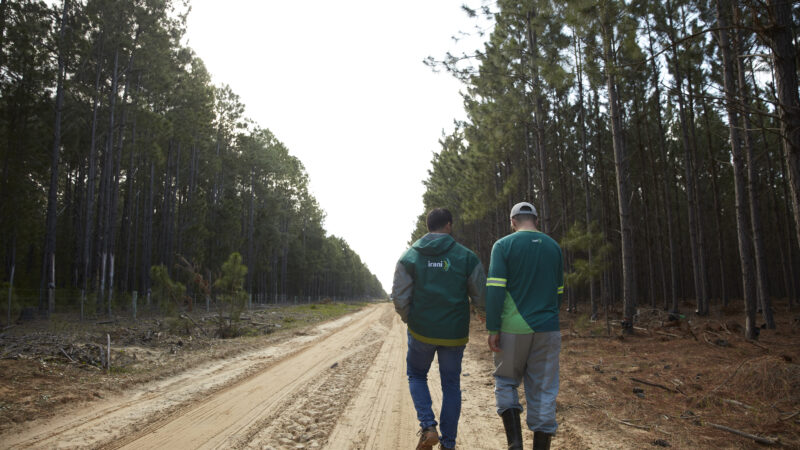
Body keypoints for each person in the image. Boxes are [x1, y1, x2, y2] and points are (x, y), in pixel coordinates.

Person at [391, 208, 486, 450]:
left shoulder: (410, 257)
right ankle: (449, 443)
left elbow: (400, 297)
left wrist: (410, 320)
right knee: (451, 385)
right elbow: (481, 296)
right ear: (449, 226)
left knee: (416, 374)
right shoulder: (466, 257)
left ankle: (428, 426)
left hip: (421, 330)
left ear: (428, 226)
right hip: (454, 334)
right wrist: (483, 314)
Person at [486, 202, 563, 450]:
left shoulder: (503, 246)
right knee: (544, 391)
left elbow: (496, 289)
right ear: (536, 220)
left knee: (506, 382)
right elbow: (559, 291)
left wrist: (493, 327)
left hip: (512, 328)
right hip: (548, 328)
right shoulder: (554, 247)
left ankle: (515, 445)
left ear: (513, 221)